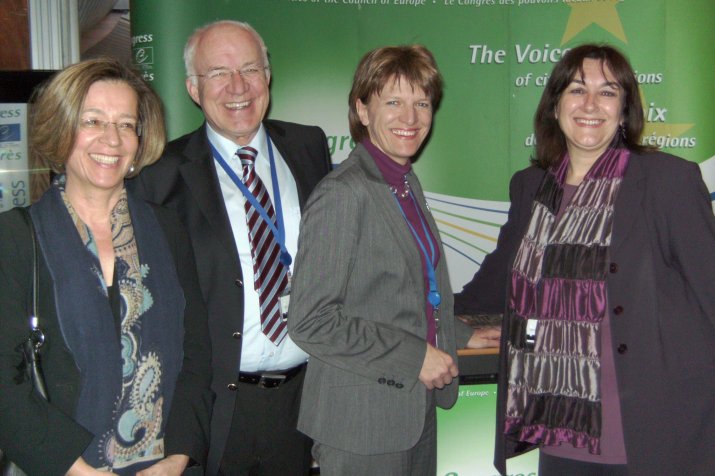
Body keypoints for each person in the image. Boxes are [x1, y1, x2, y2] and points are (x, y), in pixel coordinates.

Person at [455, 43, 715, 476]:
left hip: (655, 428)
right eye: (577, 89)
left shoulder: (667, 181)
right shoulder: (531, 187)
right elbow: (493, 285)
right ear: (555, 105)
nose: (591, 104)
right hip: (561, 427)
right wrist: (437, 325)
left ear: (624, 110)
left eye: (607, 92)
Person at [129, 20, 332, 475]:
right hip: (215, 408)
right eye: (218, 73)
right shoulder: (159, 176)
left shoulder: (308, 146)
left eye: (250, 69)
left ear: (268, 76)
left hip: (304, 402)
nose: (238, 86)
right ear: (193, 89)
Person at [287, 45, 501, 476]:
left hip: (412, 409)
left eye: (422, 103)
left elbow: (401, 297)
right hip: (362, 423)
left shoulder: (403, 183)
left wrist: (460, 333)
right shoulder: (343, 193)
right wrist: (414, 357)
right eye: (394, 102)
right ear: (362, 111)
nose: (411, 117)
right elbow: (311, 321)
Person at [0, 57, 213, 475]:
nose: (112, 139)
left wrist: (178, 456)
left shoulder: (167, 228)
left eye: (126, 124)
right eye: (93, 121)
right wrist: (75, 469)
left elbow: (197, 354)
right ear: (62, 129)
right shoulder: (14, 237)